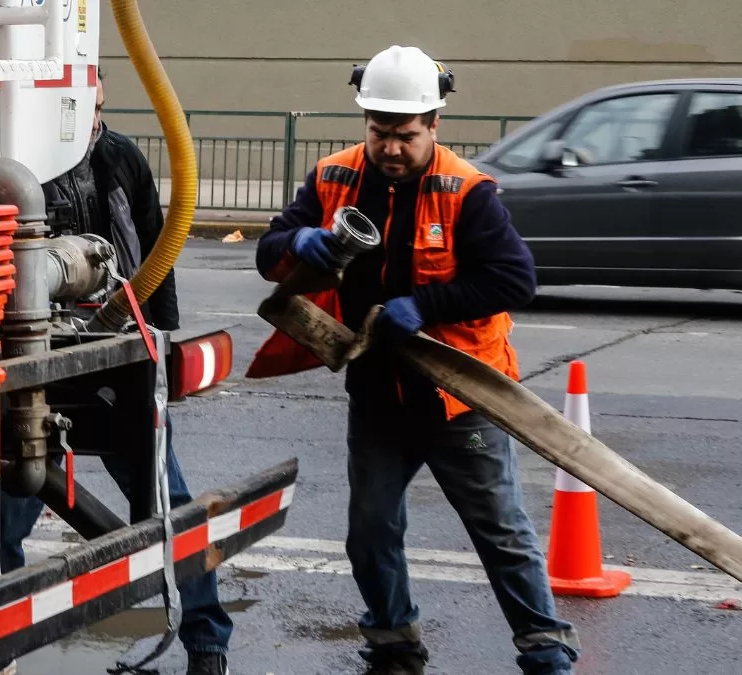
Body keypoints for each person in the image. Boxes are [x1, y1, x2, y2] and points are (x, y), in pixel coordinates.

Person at [247, 45, 581, 675]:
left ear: (434, 125)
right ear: (365, 123)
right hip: (377, 393)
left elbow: (515, 280)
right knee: (371, 531)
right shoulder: (332, 178)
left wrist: (424, 306)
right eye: (380, 134)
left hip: (457, 394)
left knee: (500, 532)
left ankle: (545, 648)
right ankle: (393, 643)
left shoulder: (467, 192)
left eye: (406, 135)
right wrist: (298, 241)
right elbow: (268, 253)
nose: (391, 149)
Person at [0, 68, 235, 675]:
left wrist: (159, 342)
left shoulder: (120, 156)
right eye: (74, 109)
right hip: (34, 361)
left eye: (94, 107)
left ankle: (206, 643)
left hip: (118, 350)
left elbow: (155, 243)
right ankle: (4, 644)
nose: (88, 121)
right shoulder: (9, 163)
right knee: (13, 503)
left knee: (164, 498)